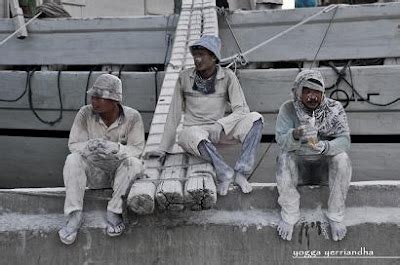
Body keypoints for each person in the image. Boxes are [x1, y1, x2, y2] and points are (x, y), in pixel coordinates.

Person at [146, 35, 264, 196]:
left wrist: (221, 124)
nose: (197, 59)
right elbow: (173, 114)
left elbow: (242, 109)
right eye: (195, 55)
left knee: (255, 119)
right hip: (195, 133)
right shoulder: (184, 77)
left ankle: (241, 173)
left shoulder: (228, 76)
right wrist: (162, 149)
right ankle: (225, 173)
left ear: (214, 57)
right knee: (192, 134)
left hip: (219, 130)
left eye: (202, 55)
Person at [58, 74, 145, 245]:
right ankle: (74, 215)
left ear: (114, 101)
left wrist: (116, 148)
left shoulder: (133, 116)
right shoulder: (84, 113)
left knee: (134, 163)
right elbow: (74, 144)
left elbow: (137, 149)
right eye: (93, 96)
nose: (94, 101)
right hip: (94, 173)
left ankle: (115, 210)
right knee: (72, 159)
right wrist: (90, 146)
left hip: (117, 176)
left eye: (99, 97)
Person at [275, 69, 352, 241]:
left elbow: (345, 140)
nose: (312, 96)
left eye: (316, 91)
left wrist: (326, 146)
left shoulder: (334, 109)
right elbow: (281, 140)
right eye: (307, 91)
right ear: (298, 91)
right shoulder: (288, 109)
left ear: (323, 92)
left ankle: (336, 216)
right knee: (283, 158)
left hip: (324, 169)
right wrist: (295, 134)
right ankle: (289, 216)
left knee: (342, 158)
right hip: (300, 169)